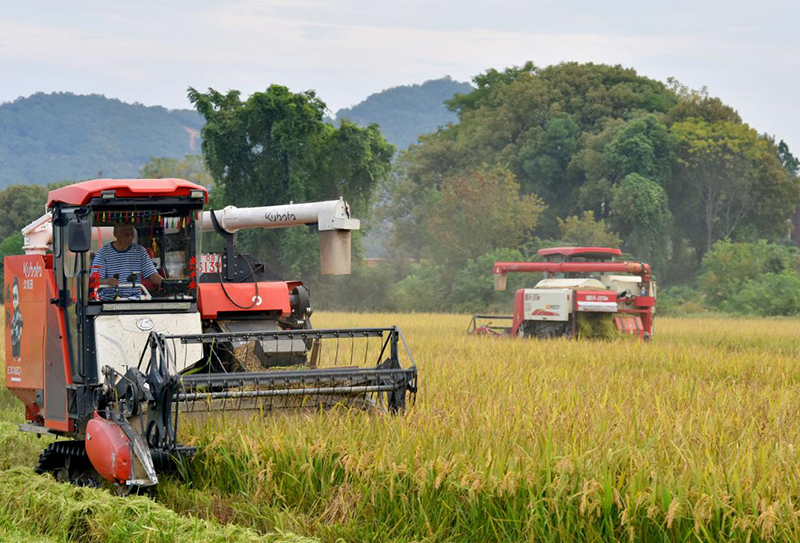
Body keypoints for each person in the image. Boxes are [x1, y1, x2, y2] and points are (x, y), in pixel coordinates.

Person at [90, 223, 162, 300]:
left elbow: (152, 275)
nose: (130, 238)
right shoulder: (103, 253)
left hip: (135, 299)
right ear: (115, 234)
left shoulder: (140, 251)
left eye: (132, 234)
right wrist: (107, 281)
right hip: (110, 299)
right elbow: (94, 280)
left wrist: (166, 283)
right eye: (126, 235)